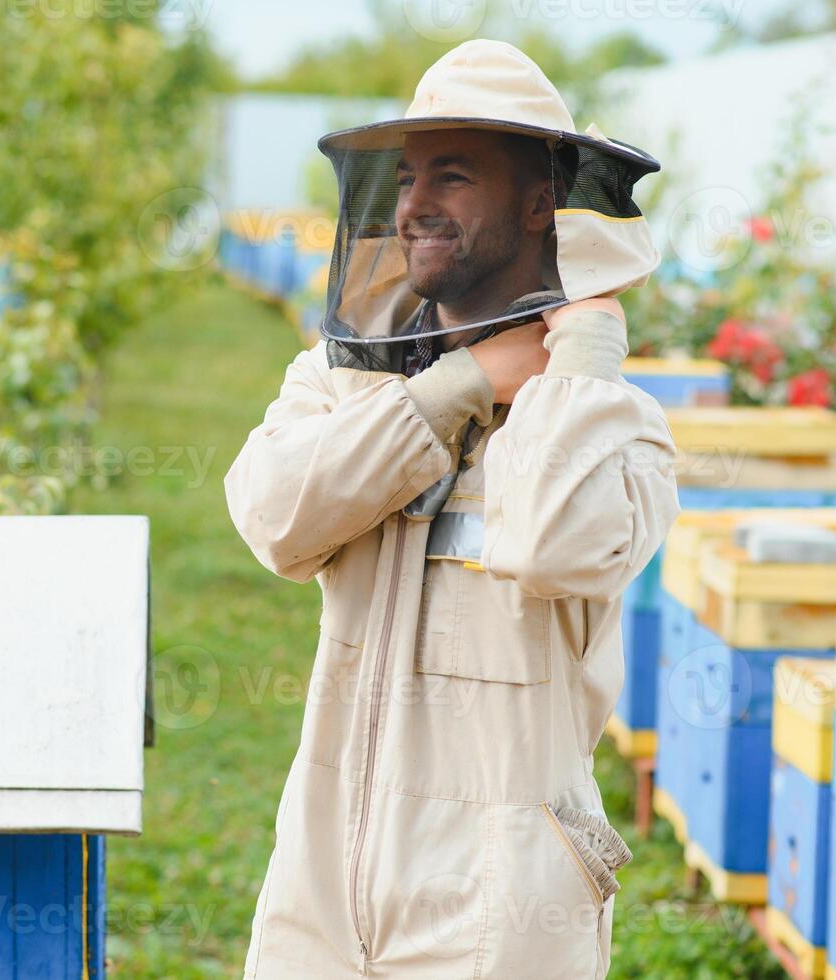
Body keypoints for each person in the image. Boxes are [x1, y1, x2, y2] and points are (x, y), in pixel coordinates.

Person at [225, 39, 681, 978]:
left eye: (454, 174)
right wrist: (461, 385)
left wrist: (581, 354)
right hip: (318, 895)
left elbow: (551, 546)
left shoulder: (618, 428)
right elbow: (272, 519)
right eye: (404, 176)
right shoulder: (340, 383)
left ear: (537, 204)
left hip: (498, 922)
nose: (413, 204)